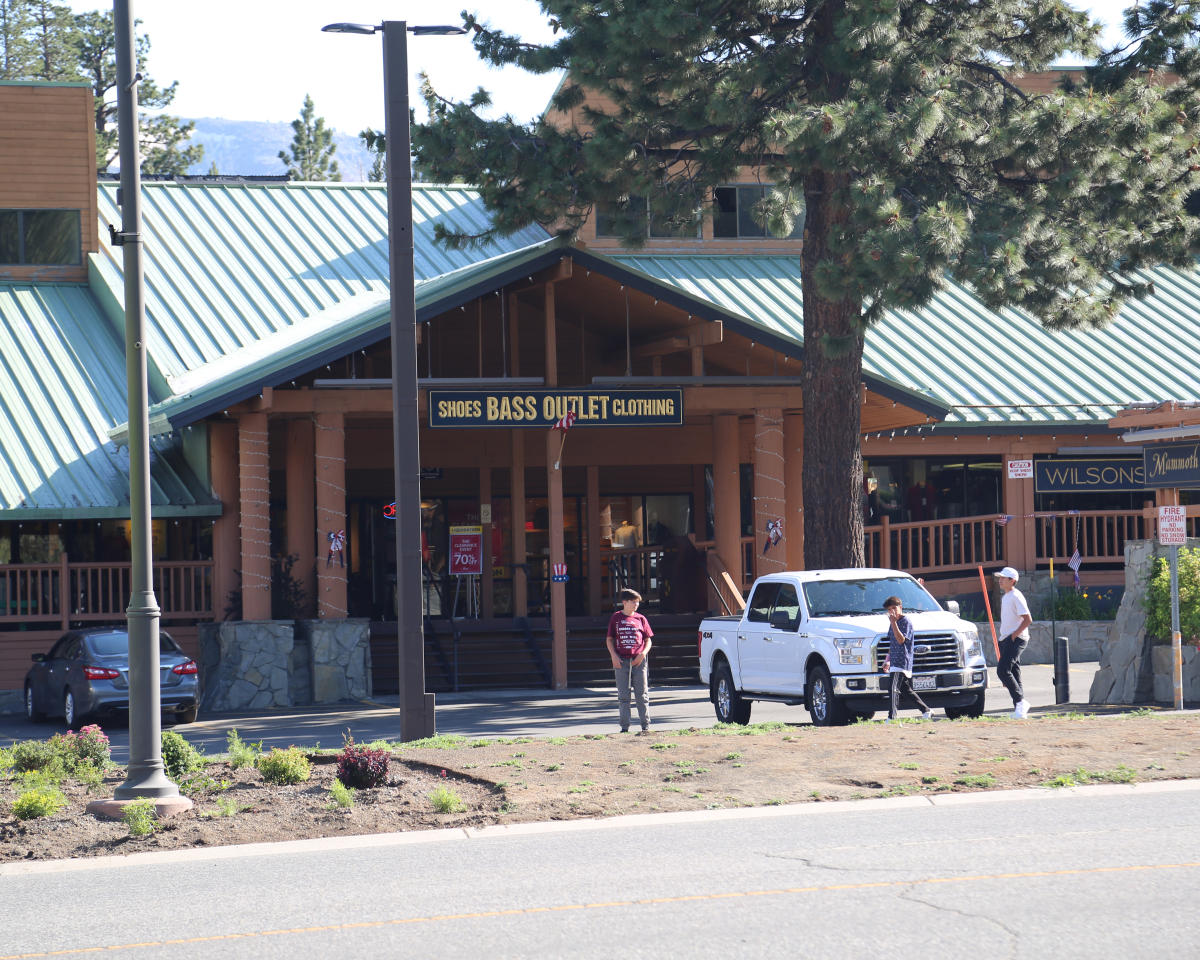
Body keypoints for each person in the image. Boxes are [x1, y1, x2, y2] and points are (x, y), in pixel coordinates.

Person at [606, 587, 654, 733]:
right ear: (624, 602)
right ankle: (625, 727)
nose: (636, 605)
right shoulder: (616, 618)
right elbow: (609, 639)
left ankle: (645, 726)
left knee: (642, 694)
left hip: (639, 660)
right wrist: (613, 656)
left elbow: (648, 640)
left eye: (637, 602)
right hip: (621, 660)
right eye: (633, 602)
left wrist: (643, 654)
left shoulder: (641, 618)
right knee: (623, 695)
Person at [882, 595, 933, 722]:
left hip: (902, 661)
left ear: (900, 607)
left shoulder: (905, 622)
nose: (892, 611)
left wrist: (894, 623)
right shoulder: (892, 623)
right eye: (889, 609)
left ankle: (891, 717)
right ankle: (926, 710)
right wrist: (887, 660)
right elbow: (892, 643)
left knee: (893, 688)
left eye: (894, 608)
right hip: (894, 661)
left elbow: (901, 640)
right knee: (906, 690)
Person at [995, 565, 1033, 719]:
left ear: (1012, 580)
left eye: (1003, 578)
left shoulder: (1016, 596)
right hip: (1006, 639)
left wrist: (1014, 635)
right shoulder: (1006, 597)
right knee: (1014, 673)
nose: (1000, 580)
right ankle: (1019, 709)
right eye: (1000, 577)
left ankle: (1020, 702)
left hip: (1016, 639)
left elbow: (1028, 619)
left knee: (1002, 670)